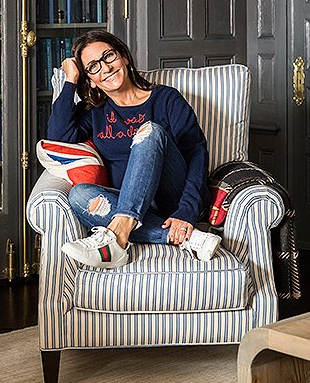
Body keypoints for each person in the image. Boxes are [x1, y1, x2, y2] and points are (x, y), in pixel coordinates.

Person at [47, 30, 221, 268]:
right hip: (133, 205)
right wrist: (70, 79)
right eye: (93, 67)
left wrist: (187, 211)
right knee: (79, 195)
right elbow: (58, 136)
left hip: (173, 200)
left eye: (109, 56)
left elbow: (196, 154)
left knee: (150, 132)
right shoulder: (96, 113)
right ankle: (187, 239)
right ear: (89, 79)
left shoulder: (166, 98)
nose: (105, 68)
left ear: (124, 57)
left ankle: (116, 239)